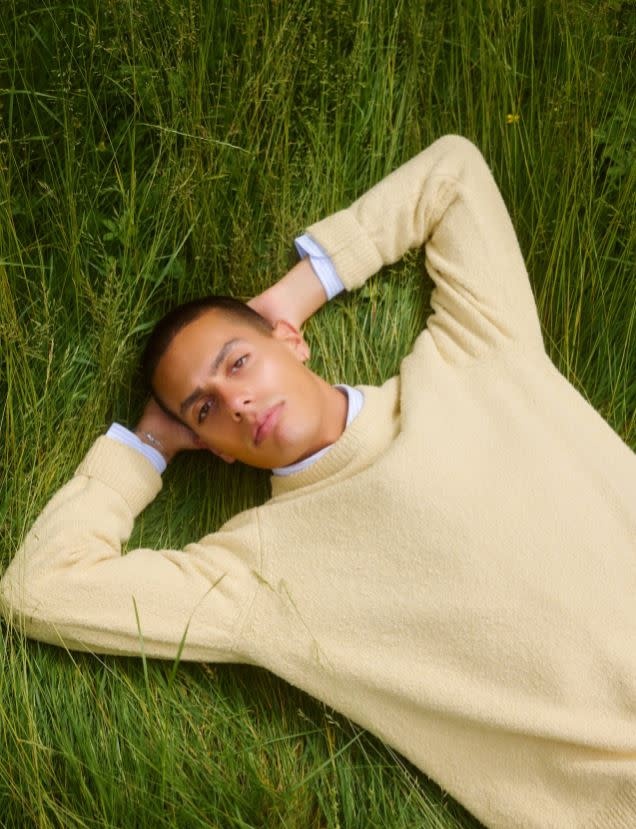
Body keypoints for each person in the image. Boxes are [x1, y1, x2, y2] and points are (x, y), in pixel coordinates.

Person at [1, 135, 634, 829]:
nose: (236, 401)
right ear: (213, 449)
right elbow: (40, 588)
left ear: (290, 341)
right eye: (204, 409)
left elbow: (453, 174)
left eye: (238, 362)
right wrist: (146, 446)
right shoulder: (260, 574)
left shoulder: (471, 353)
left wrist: (295, 294)